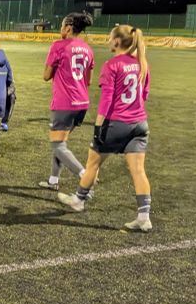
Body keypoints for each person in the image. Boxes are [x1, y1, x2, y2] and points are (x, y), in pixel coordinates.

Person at [59, 26, 152, 232]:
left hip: (116, 123)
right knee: (138, 171)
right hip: (139, 124)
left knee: (92, 164)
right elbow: (144, 94)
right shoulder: (142, 63)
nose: (108, 41)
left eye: (110, 38)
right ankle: (144, 217)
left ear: (118, 42)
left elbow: (107, 100)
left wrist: (99, 125)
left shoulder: (112, 65)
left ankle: (79, 200)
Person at [40, 12, 94, 191]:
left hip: (64, 102)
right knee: (61, 143)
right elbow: (88, 80)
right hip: (82, 103)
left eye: (62, 26)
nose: (60, 29)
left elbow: (46, 76)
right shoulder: (87, 49)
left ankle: (84, 175)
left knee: (57, 144)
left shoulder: (59, 46)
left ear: (69, 27)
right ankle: (53, 180)